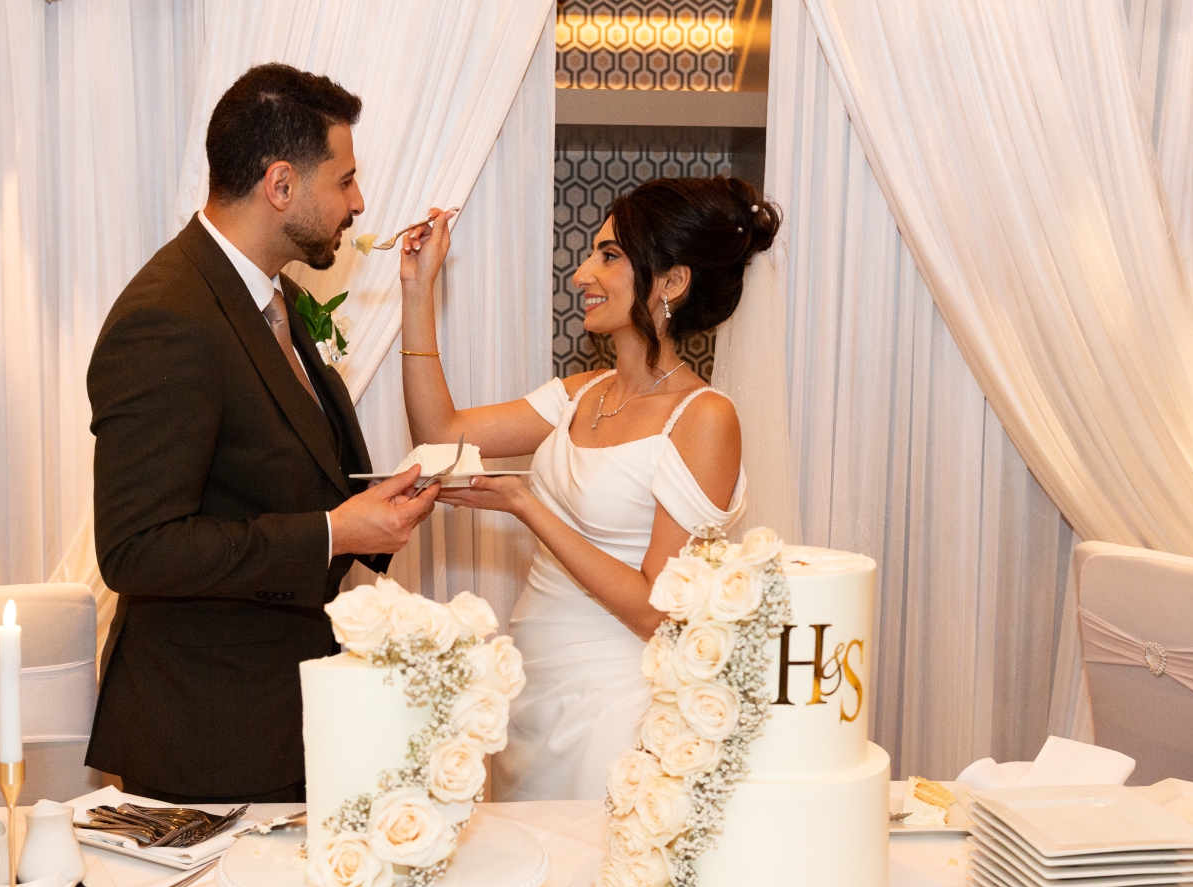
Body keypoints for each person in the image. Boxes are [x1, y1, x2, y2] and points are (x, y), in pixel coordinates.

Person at [85, 64, 438, 805]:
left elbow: (278, 465)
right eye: (343, 181)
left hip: (287, 718)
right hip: (210, 736)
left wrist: (373, 505)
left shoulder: (266, 295)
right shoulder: (168, 316)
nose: (359, 201)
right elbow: (137, 549)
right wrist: (331, 534)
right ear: (280, 185)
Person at [399, 176, 781, 800]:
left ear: (672, 282)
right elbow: (439, 431)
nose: (581, 274)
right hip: (531, 686)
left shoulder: (705, 419)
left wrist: (528, 506)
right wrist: (418, 292)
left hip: (616, 703)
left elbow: (657, 610)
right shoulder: (580, 393)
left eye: (609, 256)